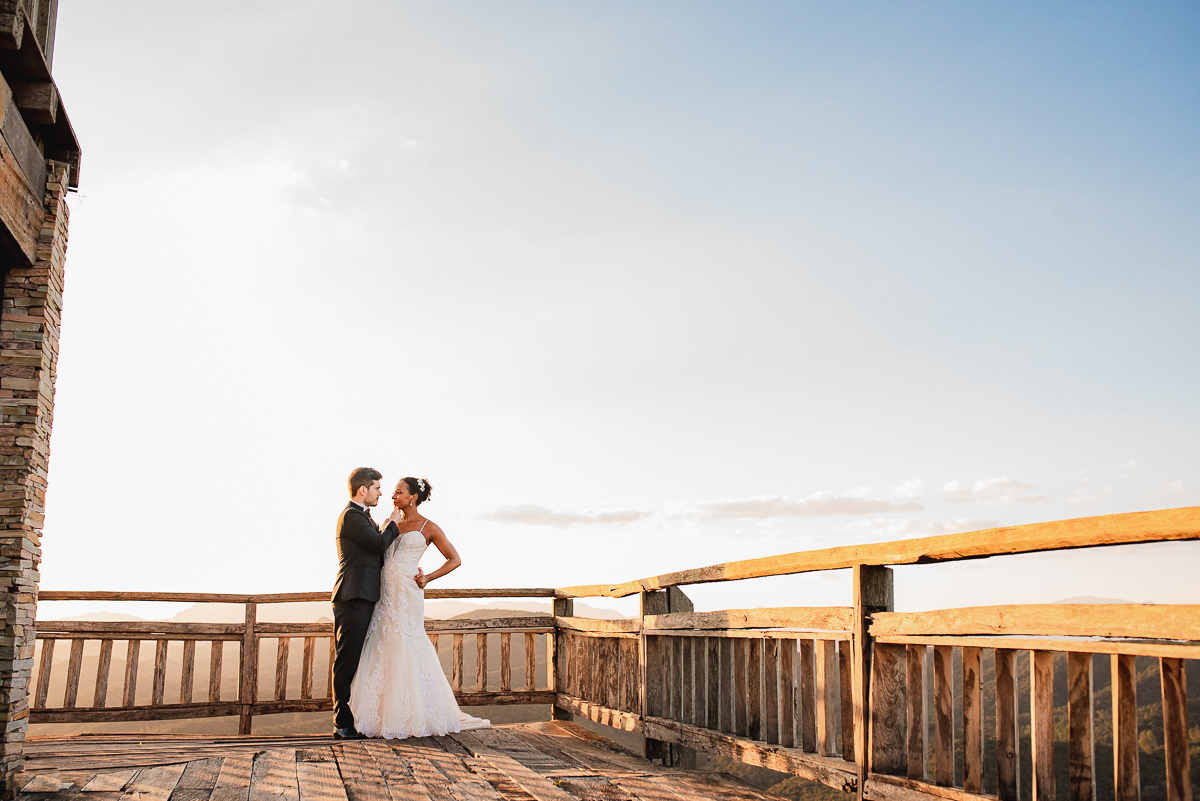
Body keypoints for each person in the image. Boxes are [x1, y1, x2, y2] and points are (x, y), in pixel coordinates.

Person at [349, 476, 491, 738]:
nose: (393, 495)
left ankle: (413, 713)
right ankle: (381, 714)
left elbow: (454, 559)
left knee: (406, 642)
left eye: (398, 492)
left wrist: (427, 577)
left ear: (413, 497)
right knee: (382, 642)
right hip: (383, 592)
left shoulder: (429, 527)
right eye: (392, 492)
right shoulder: (389, 523)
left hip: (407, 592)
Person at [331, 467, 401, 740]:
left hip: (363, 596)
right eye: (377, 488)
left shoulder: (361, 517)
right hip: (353, 597)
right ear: (363, 490)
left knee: (356, 659)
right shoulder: (351, 516)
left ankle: (353, 719)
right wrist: (393, 523)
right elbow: (379, 544)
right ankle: (342, 724)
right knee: (346, 660)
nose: (381, 493)